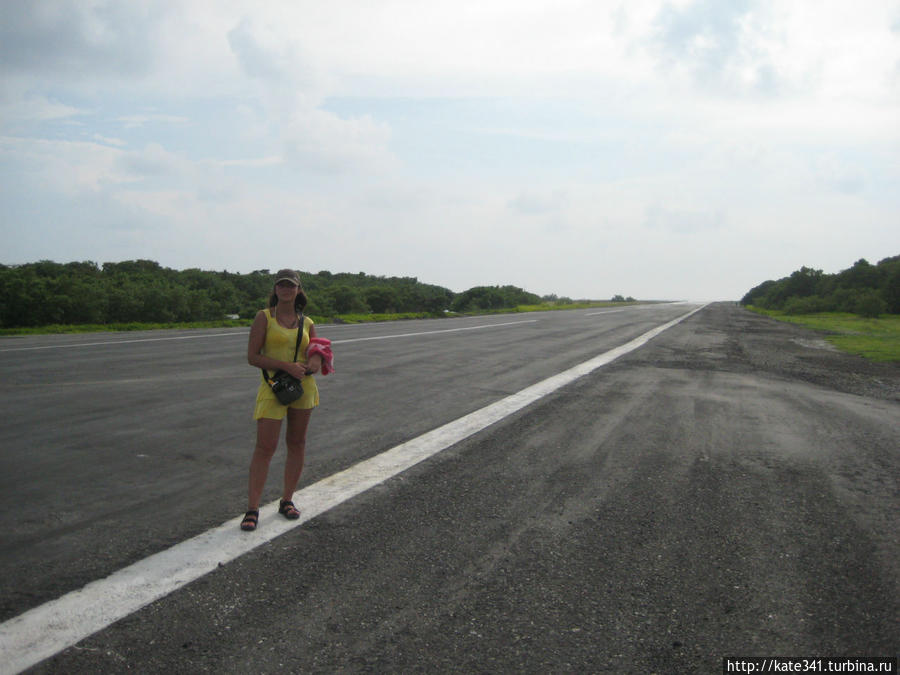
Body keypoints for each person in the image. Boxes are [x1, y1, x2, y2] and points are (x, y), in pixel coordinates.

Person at [241, 269, 323, 532]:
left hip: (303, 388)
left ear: (299, 290)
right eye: (281, 285)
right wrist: (286, 366)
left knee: (297, 443)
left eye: (291, 285)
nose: (286, 289)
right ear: (275, 290)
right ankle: (253, 507)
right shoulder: (264, 317)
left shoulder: (307, 322)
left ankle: (287, 500)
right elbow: (253, 356)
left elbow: (318, 353)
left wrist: (313, 363)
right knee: (265, 448)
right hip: (273, 387)